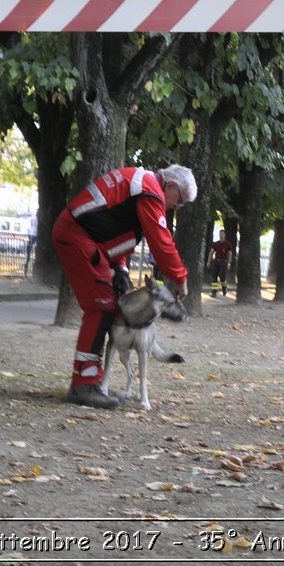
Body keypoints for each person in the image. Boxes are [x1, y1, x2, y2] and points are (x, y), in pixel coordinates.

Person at [53, 164, 195, 409]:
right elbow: (161, 241)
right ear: (170, 186)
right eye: (179, 202)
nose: (176, 207)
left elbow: (114, 229)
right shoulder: (150, 190)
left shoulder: (140, 185)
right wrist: (180, 278)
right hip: (78, 236)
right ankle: (83, 385)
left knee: (106, 303)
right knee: (101, 305)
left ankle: (90, 382)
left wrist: (121, 267)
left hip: (82, 236)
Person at [206, 229, 232, 298]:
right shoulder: (215, 244)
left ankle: (224, 288)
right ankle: (214, 292)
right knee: (214, 277)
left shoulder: (228, 244)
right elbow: (211, 252)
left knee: (222, 276)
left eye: (222, 234)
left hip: (224, 262)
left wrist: (229, 263)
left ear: (225, 235)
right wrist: (209, 261)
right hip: (216, 262)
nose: (221, 236)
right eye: (220, 234)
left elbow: (229, 254)